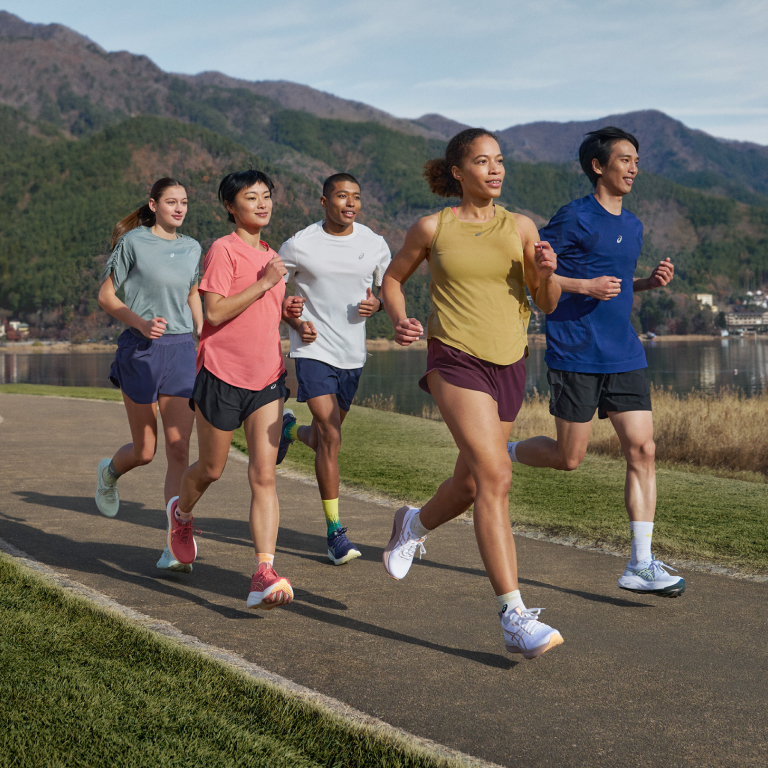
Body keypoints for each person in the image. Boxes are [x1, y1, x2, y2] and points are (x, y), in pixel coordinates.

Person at [380, 128, 565, 660]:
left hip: (509, 363)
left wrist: (547, 273)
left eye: (500, 160)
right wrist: (400, 319)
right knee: (496, 476)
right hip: (453, 358)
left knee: (467, 484)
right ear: (458, 172)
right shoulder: (432, 227)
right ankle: (513, 615)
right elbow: (393, 280)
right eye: (482, 162)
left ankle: (413, 524)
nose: (495, 169)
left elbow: (545, 301)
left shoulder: (521, 227)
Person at [507, 127, 685, 598]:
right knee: (570, 458)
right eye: (624, 159)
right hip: (576, 351)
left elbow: (617, 282)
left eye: (636, 161)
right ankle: (501, 453)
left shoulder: (635, 225)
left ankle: (640, 563)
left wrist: (645, 284)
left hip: (624, 351)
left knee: (643, 450)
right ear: (597, 166)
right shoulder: (573, 218)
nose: (632, 168)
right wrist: (583, 287)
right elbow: (535, 273)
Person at [165, 169, 294, 611]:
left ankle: (264, 570)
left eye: (266, 196)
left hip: (267, 380)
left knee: (264, 475)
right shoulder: (224, 249)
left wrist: (293, 315)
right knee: (212, 469)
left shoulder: (274, 256)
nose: (261, 204)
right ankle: (181, 517)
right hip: (221, 376)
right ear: (230, 207)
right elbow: (215, 312)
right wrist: (265, 283)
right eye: (250, 197)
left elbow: (264, 314)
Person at [277, 173, 392, 565]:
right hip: (312, 350)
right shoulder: (300, 244)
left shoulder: (374, 244)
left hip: (353, 355)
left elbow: (386, 290)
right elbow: (274, 291)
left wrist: (378, 306)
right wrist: (293, 321)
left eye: (356, 197)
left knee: (330, 436)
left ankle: (289, 429)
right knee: (330, 433)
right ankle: (334, 533)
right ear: (323, 201)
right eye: (342, 196)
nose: (350, 203)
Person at [96, 177, 203, 574]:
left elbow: (192, 292)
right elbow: (106, 295)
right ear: (153, 205)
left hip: (180, 351)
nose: (179, 208)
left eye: (185, 202)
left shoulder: (193, 247)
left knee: (179, 450)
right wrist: (140, 323)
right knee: (145, 451)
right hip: (140, 350)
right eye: (171, 202)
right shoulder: (134, 243)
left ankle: (175, 544)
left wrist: (202, 333)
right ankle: (109, 473)